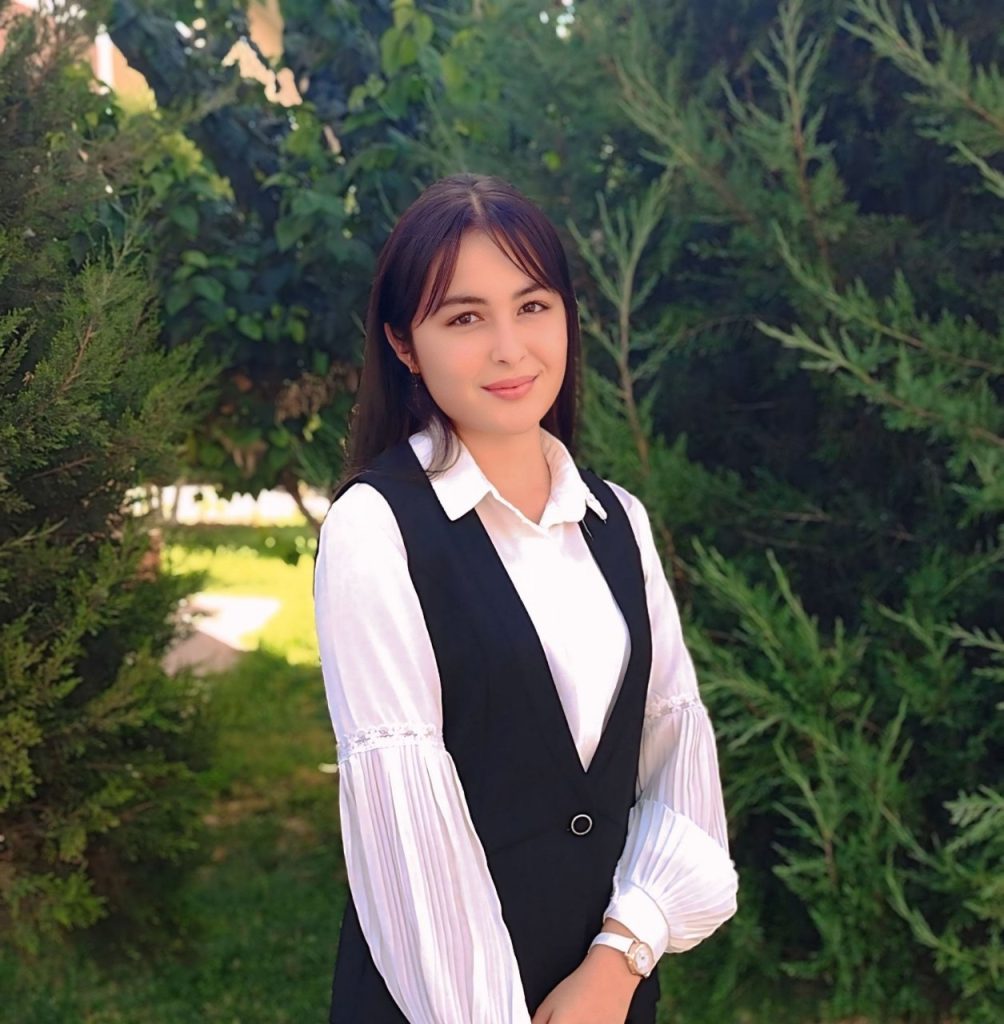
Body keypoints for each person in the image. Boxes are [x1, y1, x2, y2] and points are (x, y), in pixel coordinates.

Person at [313, 173, 739, 1024]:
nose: (511, 348)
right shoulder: (376, 528)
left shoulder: (619, 521)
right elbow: (408, 842)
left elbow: (678, 770)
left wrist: (616, 967)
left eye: (533, 306)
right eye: (465, 317)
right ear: (405, 343)